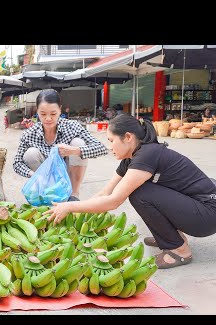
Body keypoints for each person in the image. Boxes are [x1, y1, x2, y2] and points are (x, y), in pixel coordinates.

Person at [44, 114, 216, 269]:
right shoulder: (131, 159)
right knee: (142, 191)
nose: (110, 147)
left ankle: (180, 250)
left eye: (112, 141)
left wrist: (70, 207)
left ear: (127, 137)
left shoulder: (147, 155)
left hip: (207, 215)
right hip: (197, 207)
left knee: (140, 193)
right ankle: (172, 237)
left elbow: (114, 201)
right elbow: (105, 193)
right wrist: (72, 207)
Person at [13, 89, 108, 201]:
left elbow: (102, 148)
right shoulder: (29, 133)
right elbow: (17, 163)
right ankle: (49, 194)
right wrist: (33, 175)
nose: (48, 119)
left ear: (60, 110)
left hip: (68, 172)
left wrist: (74, 150)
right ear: (37, 112)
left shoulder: (72, 126)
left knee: (78, 143)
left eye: (53, 114)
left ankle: (73, 194)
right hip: (45, 177)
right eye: (43, 114)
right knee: (30, 154)